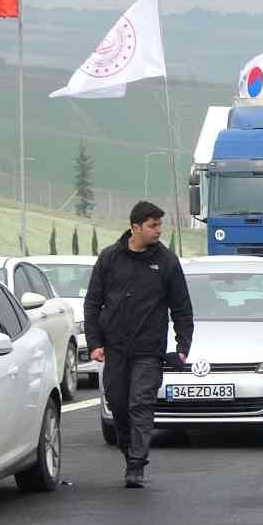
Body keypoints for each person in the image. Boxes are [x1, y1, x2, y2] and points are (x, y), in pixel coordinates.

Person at [83, 201, 194, 489]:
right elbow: (93, 303)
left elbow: (181, 308)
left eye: (160, 225)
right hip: (115, 349)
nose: (159, 230)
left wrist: (183, 346)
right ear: (135, 228)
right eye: (152, 225)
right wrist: (94, 342)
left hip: (149, 349)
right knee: (118, 405)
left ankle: (136, 464)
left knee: (140, 404)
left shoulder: (167, 262)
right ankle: (128, 449)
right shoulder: (109, 259)